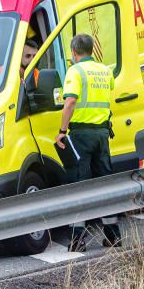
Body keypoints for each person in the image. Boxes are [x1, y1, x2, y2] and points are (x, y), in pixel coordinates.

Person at [55, 34, 116, 252]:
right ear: (91, 50)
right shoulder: (105, 70)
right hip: (102, 133)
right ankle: (113, 235)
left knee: (79, 185)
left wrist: (62, 131)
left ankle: (77, 239)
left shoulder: (75, 71)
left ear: (73, 51)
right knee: (105, 184)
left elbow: (70, 101)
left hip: (81, 134)